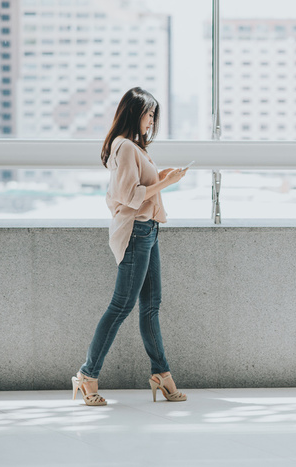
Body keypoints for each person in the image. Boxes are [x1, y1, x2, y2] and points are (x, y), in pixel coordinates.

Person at [71, 87, 187, 405]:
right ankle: (87, 375)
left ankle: (161, 374)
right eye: (149, 114)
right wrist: (166, 183)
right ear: (135, 112)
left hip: (148, 230)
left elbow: (139, 186)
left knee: (150, 307)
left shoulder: (134, 147)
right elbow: (130, 195)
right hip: (136, 232)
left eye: (153, 116)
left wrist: (159, 177)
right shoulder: (124, 146)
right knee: (121, 306)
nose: (152, 121)